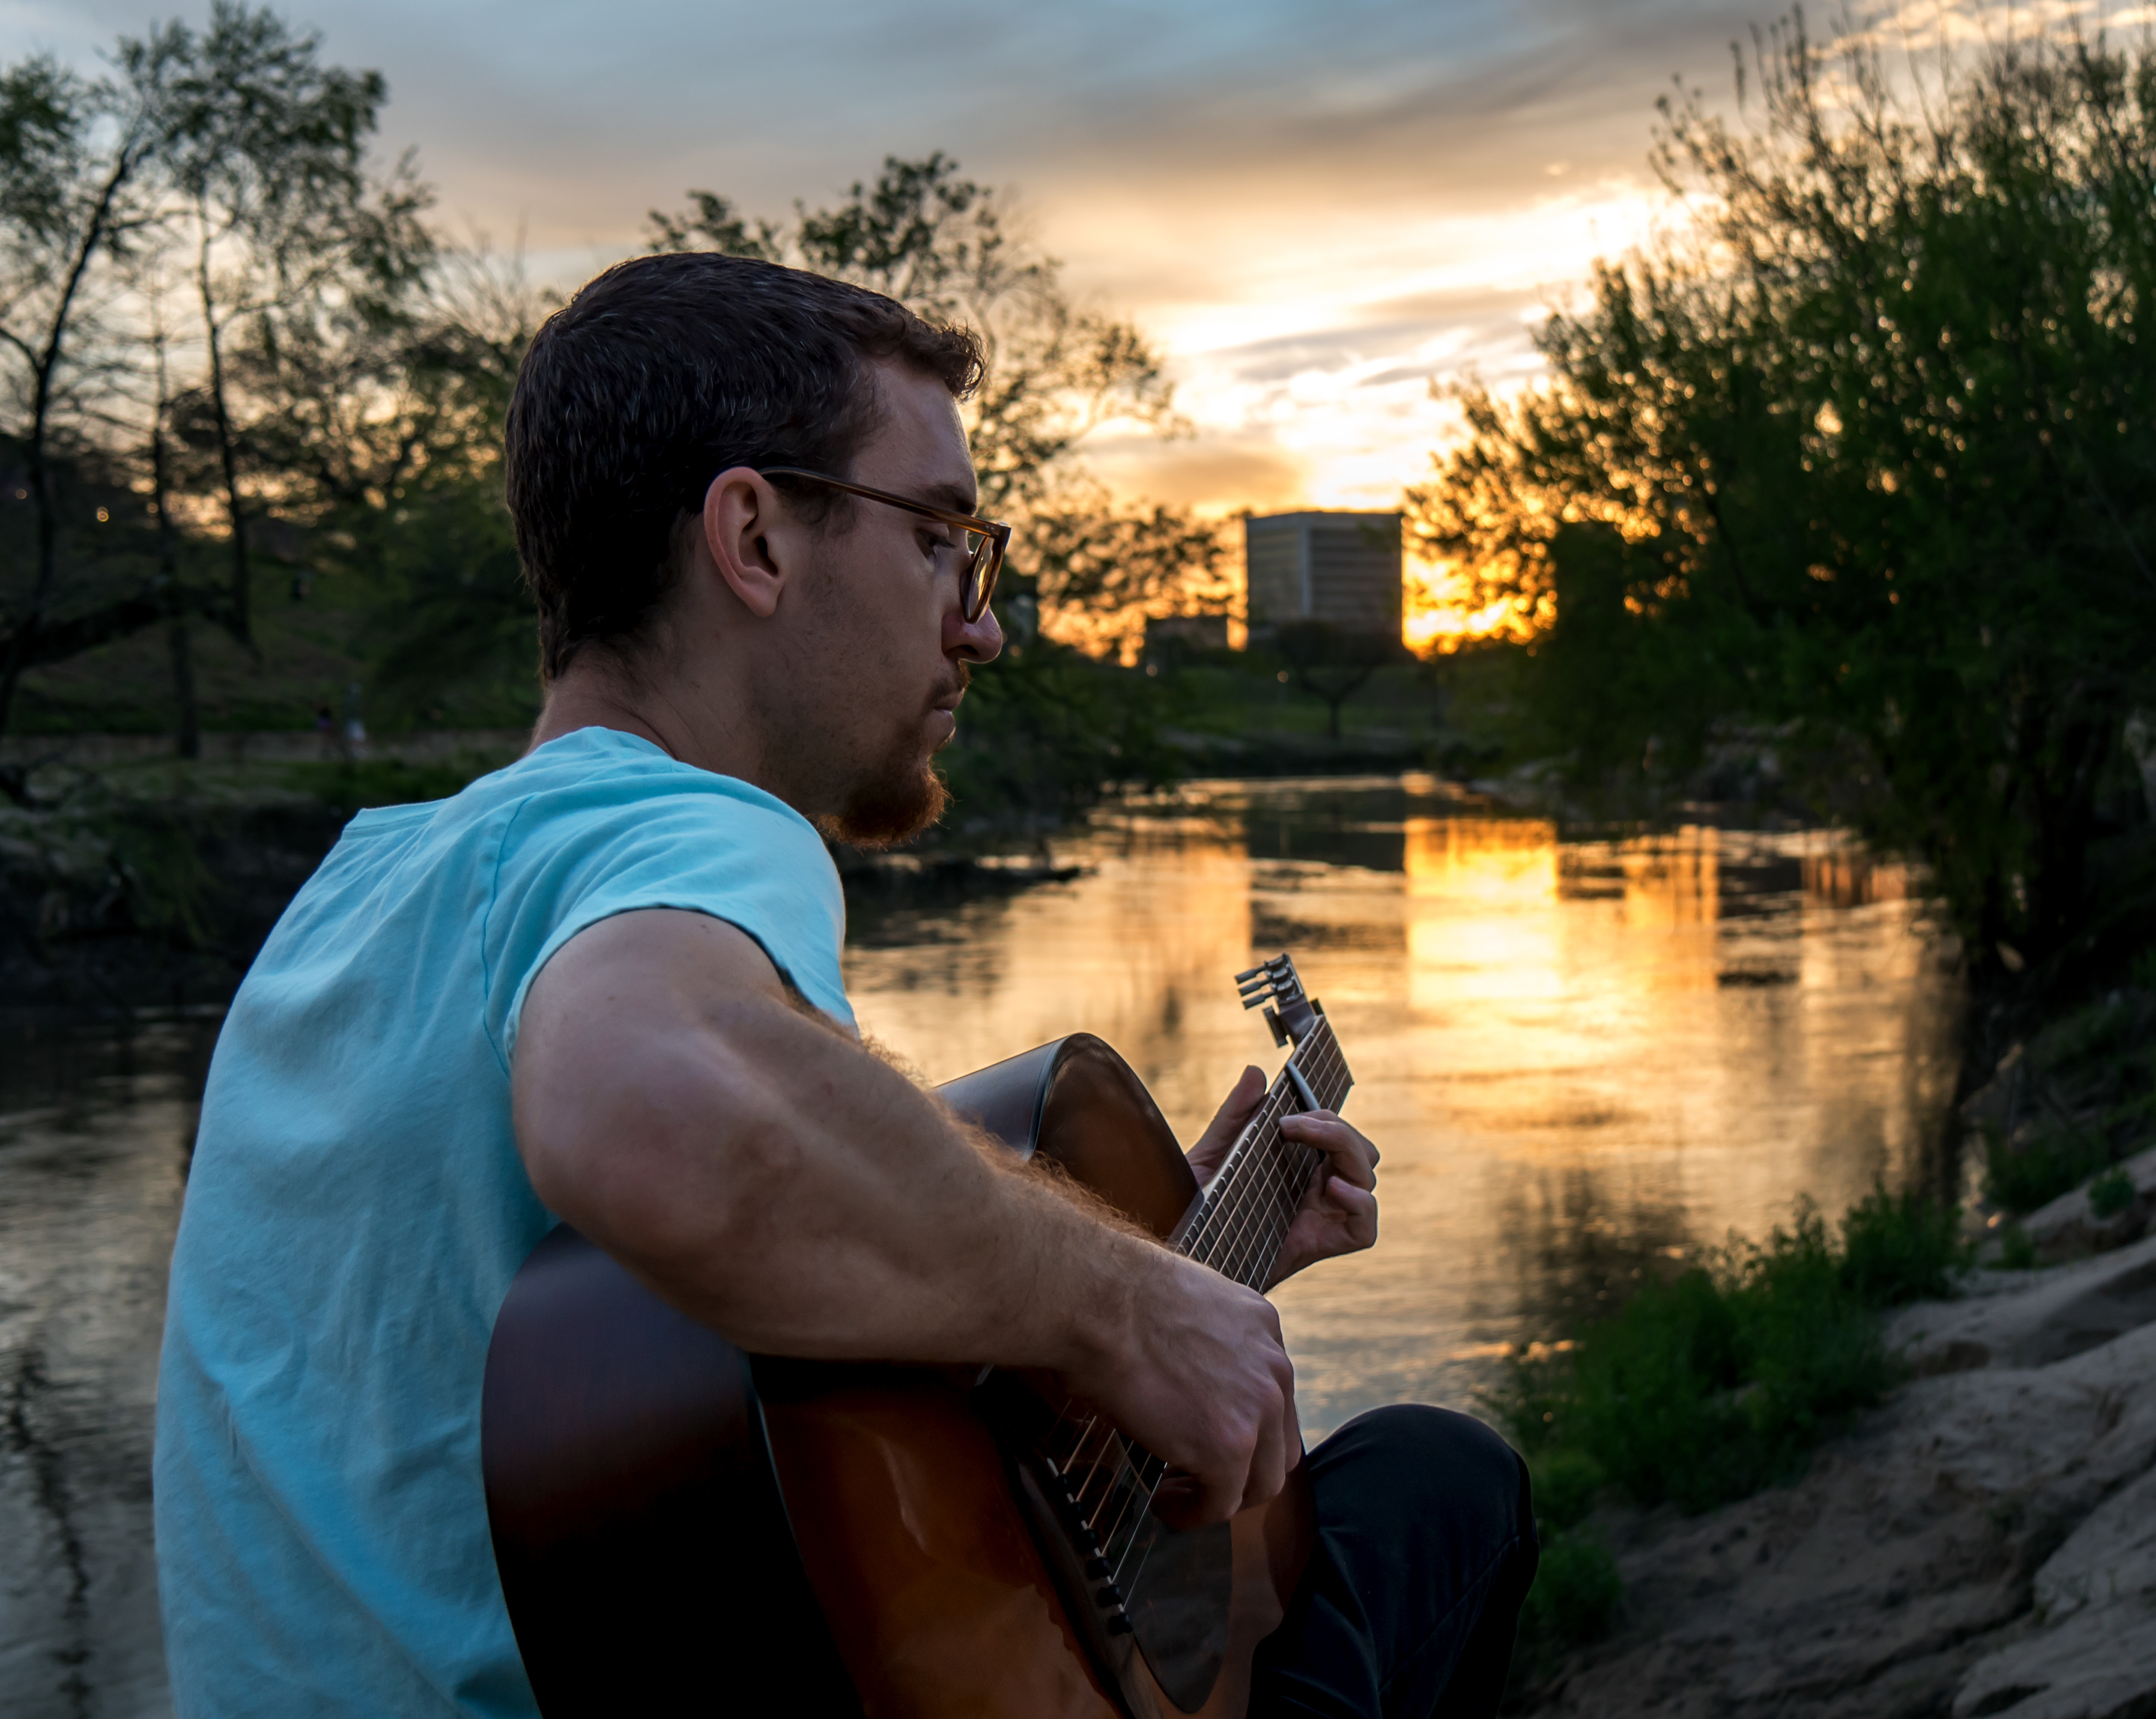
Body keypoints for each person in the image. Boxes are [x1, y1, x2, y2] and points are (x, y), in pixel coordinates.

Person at [152, 252, 1536, 1717]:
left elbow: (699, 1393)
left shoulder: (349, 902)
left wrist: (1169, 1261)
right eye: (939, 537)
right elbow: (660, 1124)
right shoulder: (686, 827)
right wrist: (1126, 1308)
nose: (981, 622)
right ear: (754, 540)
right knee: (1438, 1485)